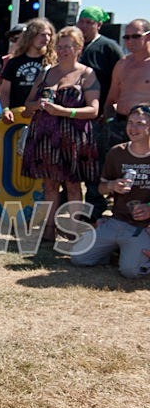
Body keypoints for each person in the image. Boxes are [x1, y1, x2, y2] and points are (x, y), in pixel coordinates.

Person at [21, 26, 99, 241]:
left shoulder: (86, 74)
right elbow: (27, 104)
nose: (63, 50)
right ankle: (48, 230)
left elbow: (94, 110)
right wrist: (37, 105)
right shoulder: (46, 72)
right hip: (45, 137)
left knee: (74, 185)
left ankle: (74, 231)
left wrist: (64, 111)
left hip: (73, 137)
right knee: (49, 184)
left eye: (69, 46)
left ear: (79, 48)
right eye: (60, 46)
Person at [71, 104, 150, 279]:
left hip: (144, 227)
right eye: (130, 122)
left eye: (140, 123)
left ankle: (130, 254)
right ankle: (120, 250)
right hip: (117, 221)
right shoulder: (117, 152)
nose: (133, 128)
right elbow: (101, 188)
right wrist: (112, 185)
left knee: (131, 272)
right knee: (78, 257)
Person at [77, 6, 124, 222]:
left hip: (98, 117)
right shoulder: (74, 46)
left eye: (89, 22)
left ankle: (95, 206)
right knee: (76, 165)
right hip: (73, 117)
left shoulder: (108, 47)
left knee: (95, 164)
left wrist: (108, 109)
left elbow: (121, 78)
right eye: (82, 21)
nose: (84, 25)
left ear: (98, 25)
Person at [103, 19, 150, 145]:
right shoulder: (122, 64)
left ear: (148, 36)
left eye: (136, 36)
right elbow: (111, 98)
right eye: (126, 37)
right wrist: (110, 122)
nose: (130, 41)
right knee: (117, 164)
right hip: (119, 126)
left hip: (145, 128)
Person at [0, 18, 56, 123]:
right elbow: (5, 92)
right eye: (42, 35)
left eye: (49, 35)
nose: (47, 39)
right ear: (31, 35)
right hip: (17, 115)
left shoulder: (51, 62)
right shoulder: (14, 62)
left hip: (42, 117)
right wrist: (5, 109)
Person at [0, 23, 26, 99]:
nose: (14, 43)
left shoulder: (40, 60)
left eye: (17, 39)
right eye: (12, 39)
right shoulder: (3, 61)